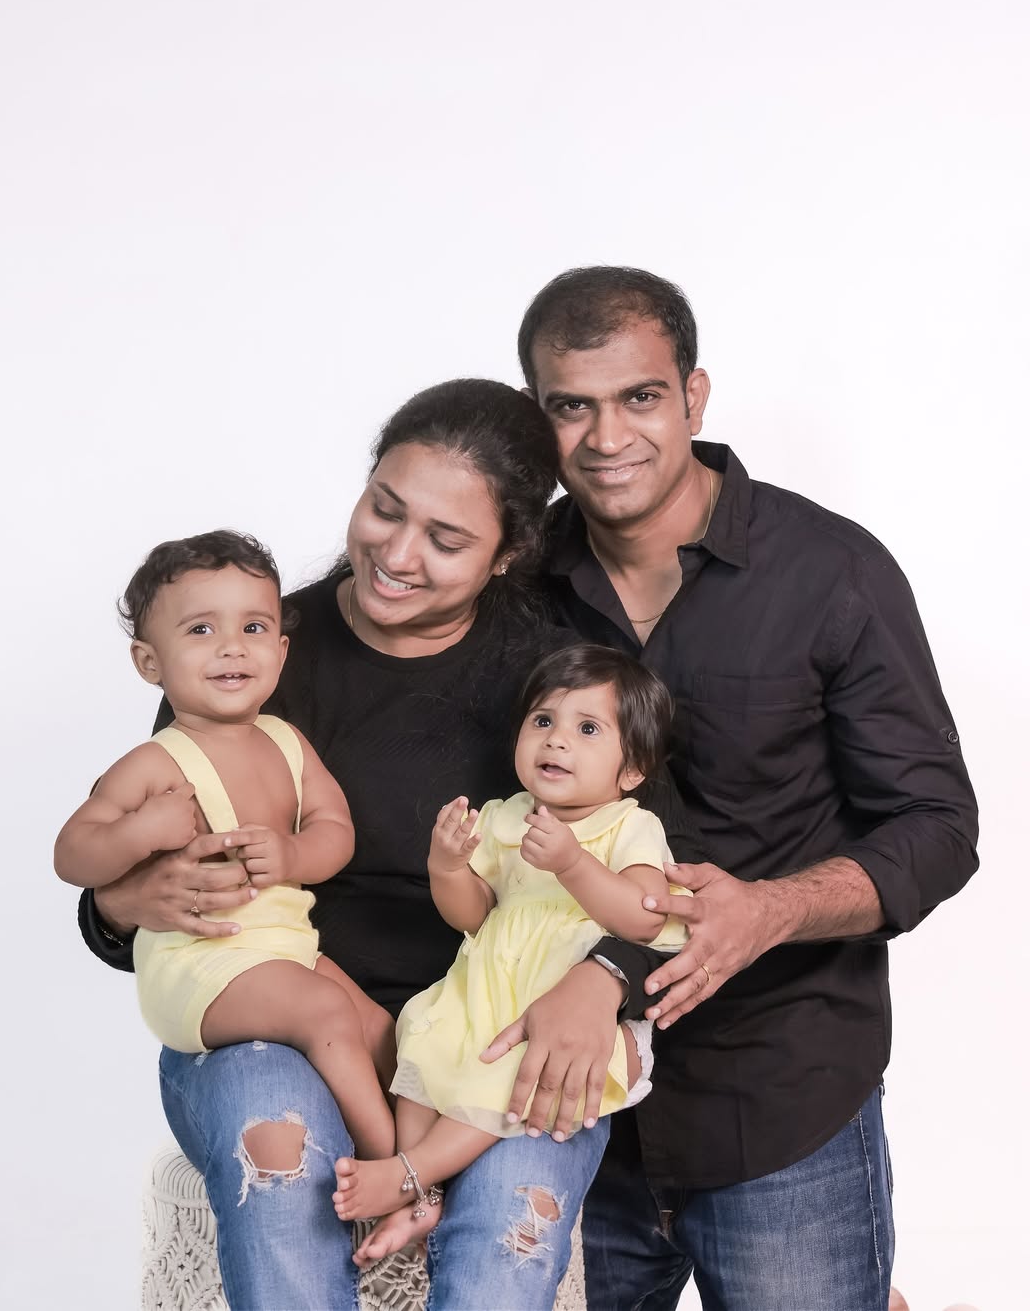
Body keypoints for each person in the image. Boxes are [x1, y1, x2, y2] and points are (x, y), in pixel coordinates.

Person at [76, 378, 711, 1309]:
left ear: (506, 555)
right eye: (384, 507)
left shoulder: (555, 681)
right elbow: (115, 898)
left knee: (510, 1235)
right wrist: (124, 902)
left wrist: (603, 978)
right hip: (277, 1030)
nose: (397, 554)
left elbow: (668, 877)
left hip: (497, 1037)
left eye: (446, 540)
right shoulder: (254, 648)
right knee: (281, 1175)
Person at [508, 265, 979, 1310]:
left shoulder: (831, 571)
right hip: (562, 1115)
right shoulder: (511, 578)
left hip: (779, 1098)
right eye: (570, 406)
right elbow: (347, 643)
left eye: (639, 396)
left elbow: (939, 824)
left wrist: (772, 909)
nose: (606, 436)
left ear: (694, 395)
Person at [55, 530, 395, 1159]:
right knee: (326, 1010)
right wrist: (139, 832)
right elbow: (71, 854)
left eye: (254, 628)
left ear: (282, 650)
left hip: (286, 949)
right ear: (149, 663)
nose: (232, 646)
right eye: (201, 630)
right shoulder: (155, 763)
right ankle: (391, 1170)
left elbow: (335, 831)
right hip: (199, 963)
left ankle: (419, 1152)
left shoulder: (287, 741)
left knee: (380, 1028)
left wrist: (292, 855)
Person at [332, 643, 690, 1236]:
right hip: (488, 989)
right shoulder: (505, 815)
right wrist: (448, 867)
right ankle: (421, 1197)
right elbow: (473, 916)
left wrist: (573, 863)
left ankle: (409, 1174)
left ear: (632, 770)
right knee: (423, 1039)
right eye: (543, 720)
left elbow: (644, 917)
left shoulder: (630, 825)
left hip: (563, 1010)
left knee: (509, 1070)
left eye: (587, 729)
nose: (557, 740)